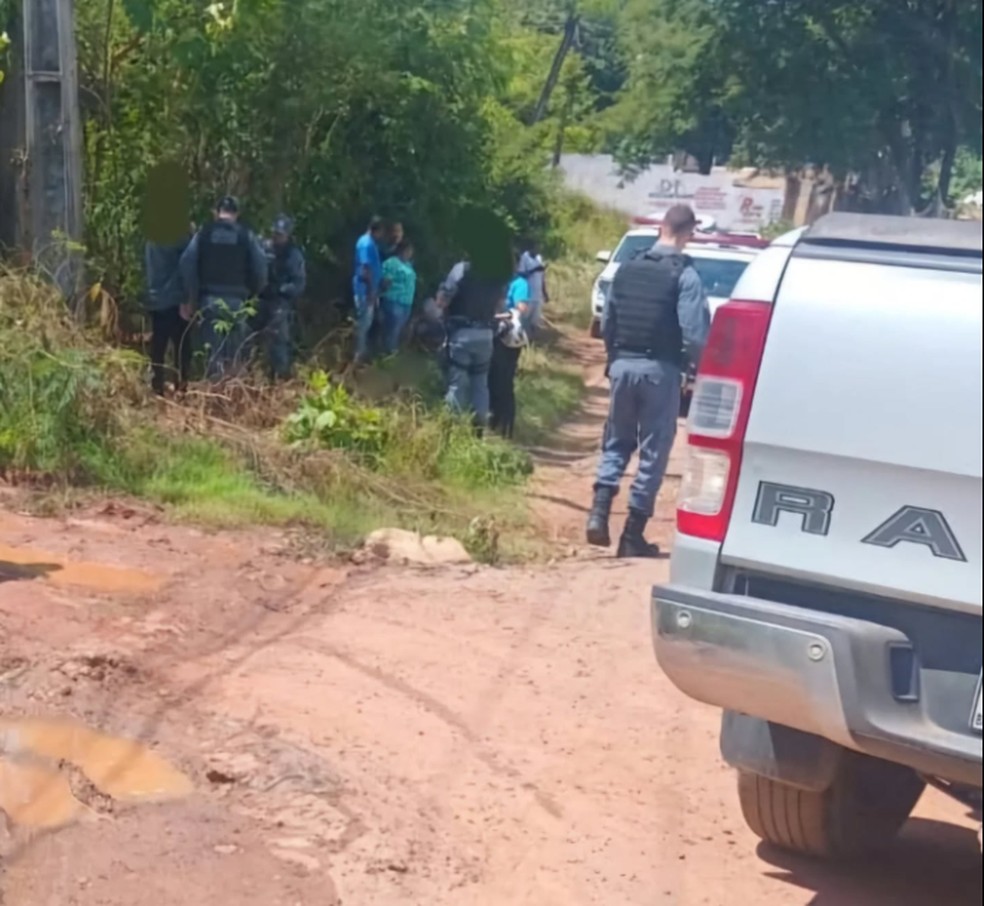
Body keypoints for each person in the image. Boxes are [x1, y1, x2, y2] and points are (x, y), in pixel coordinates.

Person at [586, 203, 710, 558]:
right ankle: (632, 535)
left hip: (622, 365)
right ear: (689, 234)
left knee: (617, 441)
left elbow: (608, 321)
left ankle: (598, 513)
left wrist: (615, 358)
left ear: (661, 228)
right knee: (654, 451)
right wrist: (695, 368)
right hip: (660, 370)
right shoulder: (685, 275)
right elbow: (695, 334)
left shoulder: (627, 267)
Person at [179, 196, 267, 381]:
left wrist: (190, 297)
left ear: (216, 212)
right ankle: (233, 393)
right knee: (235, 355)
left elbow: (187, 263)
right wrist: (253, 294)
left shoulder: (204, 233)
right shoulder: (246, 235)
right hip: (237, 302)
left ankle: (215, 392)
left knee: (214, 354)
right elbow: (260, 269)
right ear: (237, 213)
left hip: (210, 300)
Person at [441, 209, 513, 430]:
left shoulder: (461, 270)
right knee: (480, 384)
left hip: (461, 334)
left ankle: (451, 428)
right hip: (486, 336)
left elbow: (442, 300)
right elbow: (499, 306)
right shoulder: (497, 275)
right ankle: (479, 428)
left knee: (457, 383)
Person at [142, 163, 194, 396]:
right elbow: (188, 263)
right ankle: (181, 386)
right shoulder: (179, 229)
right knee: (182, 345)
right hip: (174, 298)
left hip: (156, 296)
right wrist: (187, 297)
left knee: (159, 344)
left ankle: (157, 386)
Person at [261, 214, 306, 380]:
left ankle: (280, 376)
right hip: (259, 299)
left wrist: (281, 289)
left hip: (279, 301)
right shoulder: (263, 248)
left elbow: (299, 283)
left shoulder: (293, 255)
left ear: (287, 235)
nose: (276, 237)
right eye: (275, 233)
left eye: (280, 234)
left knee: (278, 338)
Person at [488, 265, 531, 438]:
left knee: (504, 382)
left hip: (509, 339)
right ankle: (494, 422)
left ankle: (505, 426)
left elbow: (522, 308)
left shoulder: (520, 284)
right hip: (495, 335)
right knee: (493, 380)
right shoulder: (497, 280)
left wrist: (507, 312)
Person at [352, 215, 385, 363]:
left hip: (370, 289)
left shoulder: (371, 243)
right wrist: (371, 291)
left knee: (368, 322)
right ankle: (358, 354)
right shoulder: (366, 244)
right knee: (364, 323)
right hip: (364, 290)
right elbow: (366, 268)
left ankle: (363, 352)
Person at [379, 239, 416, 355]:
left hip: (406, 302)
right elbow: (385, 281)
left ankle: (391, 349)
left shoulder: (409, 265)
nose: (410, 253)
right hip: (394, 300)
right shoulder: (392, 263)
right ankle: (389, 351)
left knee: (399, 328)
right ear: (402, 250)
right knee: (393, 327)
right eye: (408, 250)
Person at [518, 240, 548, 334]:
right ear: (531, 248)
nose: (538, 249)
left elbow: (542, 277)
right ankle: (524, 338)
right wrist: (534, 270)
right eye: (536, 247)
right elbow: (521, 274)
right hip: (528, 293)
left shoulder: (539, 258)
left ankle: (532, 339)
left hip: (538, 294)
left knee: (535, 320)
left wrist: (544, 292)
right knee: (525, 319)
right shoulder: (525, 257)